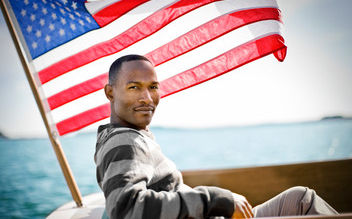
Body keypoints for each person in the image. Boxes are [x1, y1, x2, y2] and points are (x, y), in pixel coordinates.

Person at [94, 54, 338, 219]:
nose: (147, 98)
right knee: (303, 200)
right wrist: (216, 199)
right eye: (134, 87)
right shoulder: (124, 141)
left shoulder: (129, 137)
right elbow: (124, 208)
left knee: (299, 197)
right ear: (110, 93)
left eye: (153, 87)